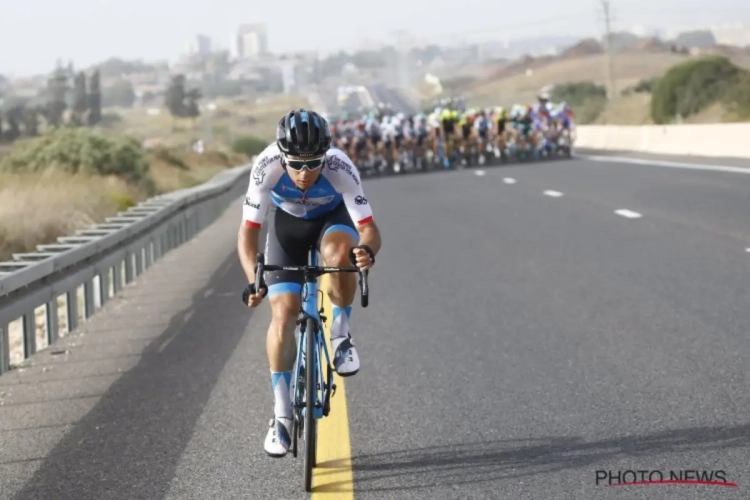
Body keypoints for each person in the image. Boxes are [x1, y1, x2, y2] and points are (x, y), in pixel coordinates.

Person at [237, 109, 382, 458]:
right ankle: (282, 414)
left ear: (325, 156)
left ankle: (341, 335)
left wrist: (366, 252)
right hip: (287, 227)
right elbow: (248, 232)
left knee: (339, 256)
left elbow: (369, 229)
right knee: (283, 314)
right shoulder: (266, 165)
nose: (304, 173)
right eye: (296, 164)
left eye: (313, 163)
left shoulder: (339, 167)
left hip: (332, 221)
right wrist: (252, 280)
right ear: (282, 156)